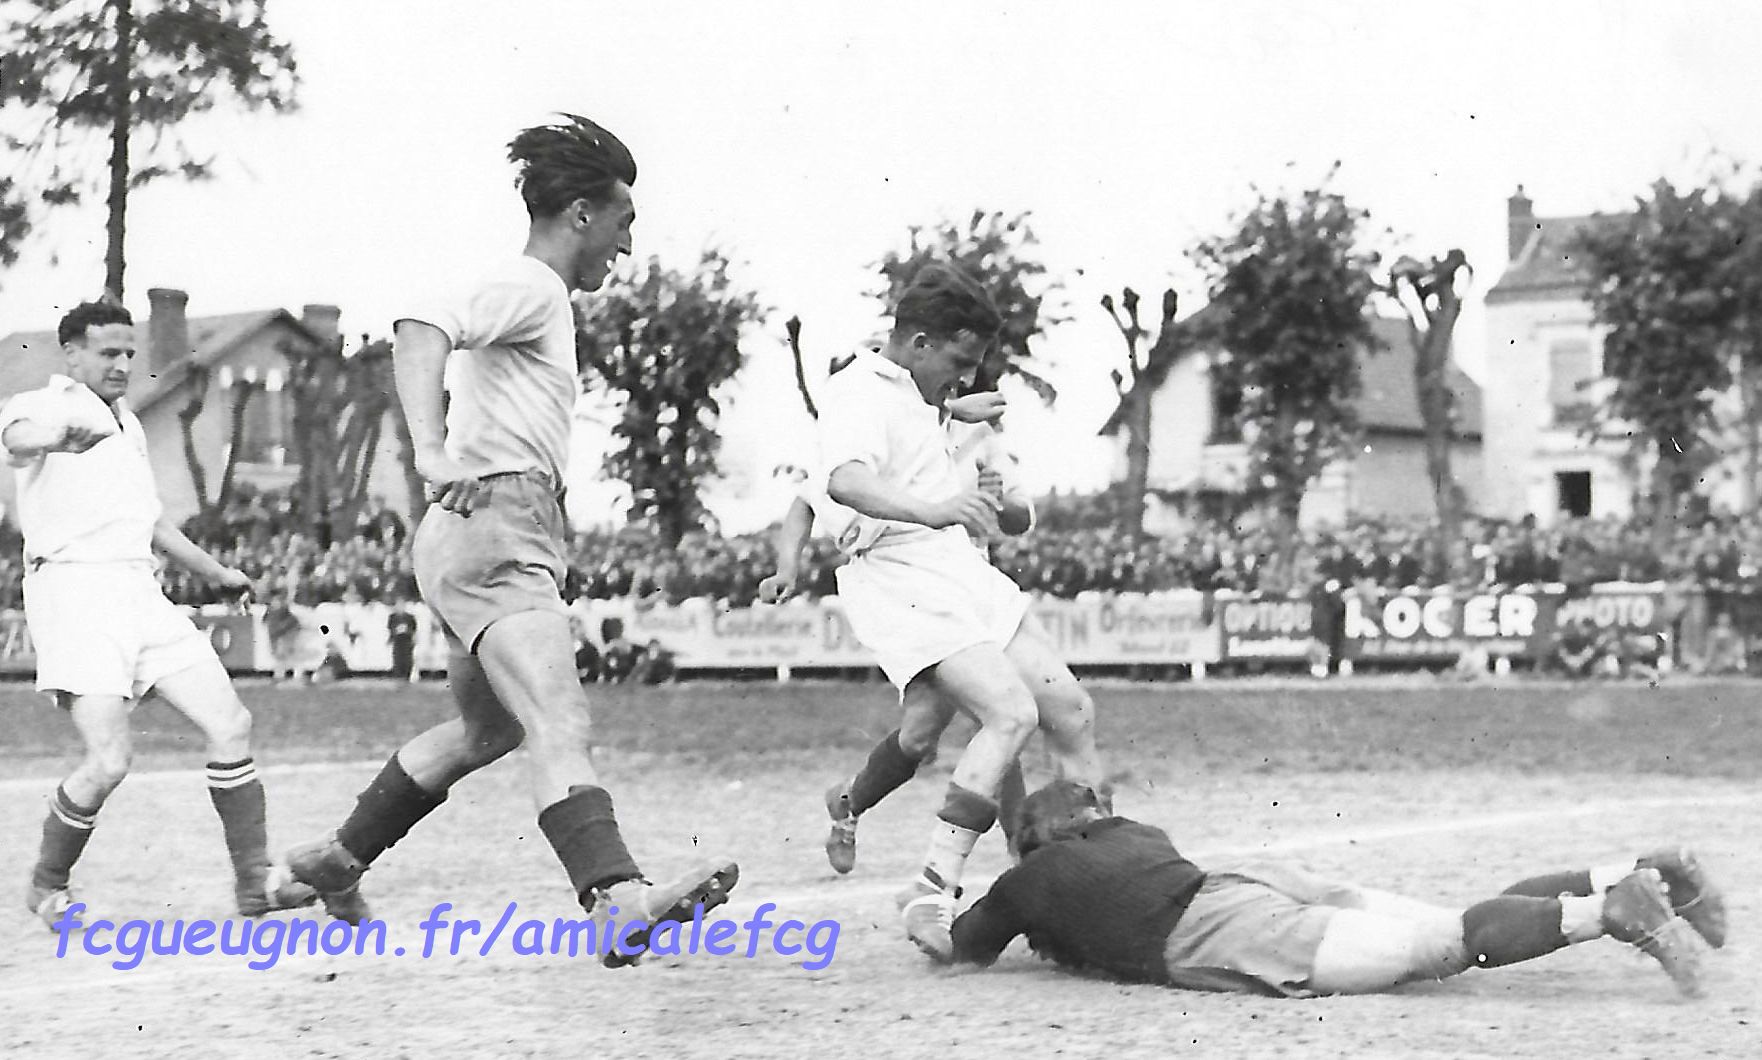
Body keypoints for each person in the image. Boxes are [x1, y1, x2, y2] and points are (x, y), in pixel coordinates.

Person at [284, 114, 736, 967]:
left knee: (489, 733)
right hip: (495, 526)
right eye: (623, 223)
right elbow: (420, 323)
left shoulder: (542, 301)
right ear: (578, 214)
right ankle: (615, 896)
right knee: (559, 716)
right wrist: (427, 448)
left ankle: (338, 858)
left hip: (478, 534)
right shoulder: (532, 287)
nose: (626, 247)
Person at [815, 264, 1105, 959]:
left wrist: (951, 411)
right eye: (957, 363)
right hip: (896, 573)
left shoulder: (927, 399)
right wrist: (939, 508)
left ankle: (1087, 883)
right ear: (917, 342)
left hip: (957, 569)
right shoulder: (854, 389)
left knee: (1069, 708)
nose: (963, 377)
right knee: (1008, 714)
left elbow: (929, 435)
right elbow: (844, 479)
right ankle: (930, 885)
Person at [5, 300, 315, 926]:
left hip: (138, 593)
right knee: (110, 761)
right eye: (106, 352)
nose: (121, 363)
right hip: (73, 594)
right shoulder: (51, 402)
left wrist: (218, 574)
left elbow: (151, 522)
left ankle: (254, 886)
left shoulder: (129, 424)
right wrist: (55, 439)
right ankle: (46, 888)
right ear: (72, 354)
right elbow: (15, 440)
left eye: (127, 353)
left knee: (230, 723)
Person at [944, 781, 1723, 999]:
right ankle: (1624, 870)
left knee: (1451, 947)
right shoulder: (1135, 834)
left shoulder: (1031, 873)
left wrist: (929, 912)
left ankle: (1609, 911)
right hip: (1237, 883)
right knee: (1460, 921)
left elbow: (965, 944)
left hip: (1217, 927)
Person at [761, 383, 1030, 876]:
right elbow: (804, 502)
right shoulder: (871, 435)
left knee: (926, 733)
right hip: (915, 594)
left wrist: (996, 501)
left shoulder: (975, 434)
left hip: (972, 592)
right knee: (998, 714)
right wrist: (786, 570)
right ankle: (1021, 854)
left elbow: (1020, 515)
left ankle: (849, 804)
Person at [386, 600, 420, 682]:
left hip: (407, 640)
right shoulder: (392, 617)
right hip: (397, 640)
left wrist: (407, 632)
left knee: (407, 657)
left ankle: (407, 674)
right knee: (397, 657)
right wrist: (395, 631)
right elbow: (390, 627)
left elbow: (414, 628)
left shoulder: (410, 617)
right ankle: (398, 674)